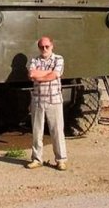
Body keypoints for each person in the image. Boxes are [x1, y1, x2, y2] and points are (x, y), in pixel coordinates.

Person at [26, 36, 68, 171]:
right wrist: (48, 73)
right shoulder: (34, 60)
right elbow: (31, 74)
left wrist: (42, 75)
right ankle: (37, 159)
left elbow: (55, 75)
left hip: (54, 100)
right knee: (37, 132)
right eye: (41, 47)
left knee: (57, 131)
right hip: (38, 100)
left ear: (52, 46)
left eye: (47, 46)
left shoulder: (59, 59)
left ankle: (61, 160)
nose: (44, 49)